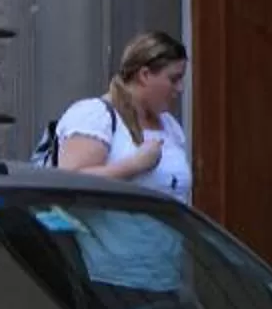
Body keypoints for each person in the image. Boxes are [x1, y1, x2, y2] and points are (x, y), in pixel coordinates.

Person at [55, 29, 191, 198]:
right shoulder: (96, 115)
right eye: (174, 79)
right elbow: (70, 183)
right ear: (145, 75)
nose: (180, 88)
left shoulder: (169, 124)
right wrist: (134, 165)